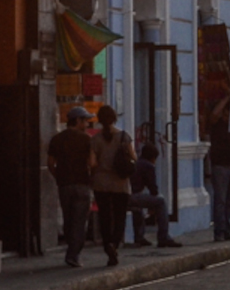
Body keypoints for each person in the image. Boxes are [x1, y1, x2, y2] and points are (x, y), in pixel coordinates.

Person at [46, 106, 95, 268]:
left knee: (68, 219)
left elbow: (50, 163)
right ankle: (73, 254)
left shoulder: (57, 139)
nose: (87, 124)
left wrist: (58, 176)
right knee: (80, 221)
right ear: (78, 121)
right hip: (82, 184)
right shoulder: (86, 139)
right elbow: (91, 163)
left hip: (64, 185)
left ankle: (71, 249)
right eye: (85, 120)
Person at [88, 105, 135, 268]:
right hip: (120, 183)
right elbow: (133, 158)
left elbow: (92, 163)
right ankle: (115, 244)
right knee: (119, 216)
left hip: (101, 183)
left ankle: (107, 244)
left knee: (105, 217)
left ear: (99, 120)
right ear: (115, 118)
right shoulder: (124, 137)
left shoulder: (95, 140)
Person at [128, 139, 182, 249]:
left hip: (125, 196)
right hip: (133, 197)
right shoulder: (148, 166)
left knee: (138, 207)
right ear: (153, 157)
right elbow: (152, 188)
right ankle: (163, 237)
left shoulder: (137, 163)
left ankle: (139, 236)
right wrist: (153, 203)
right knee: (161, 202)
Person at [208, 95, 230, 242]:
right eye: (228, 113)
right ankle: (219, 232)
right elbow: (214, 115)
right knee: (220, 201)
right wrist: (226, 98)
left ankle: (227, 230)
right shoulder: (217, 125)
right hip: (221, 167)